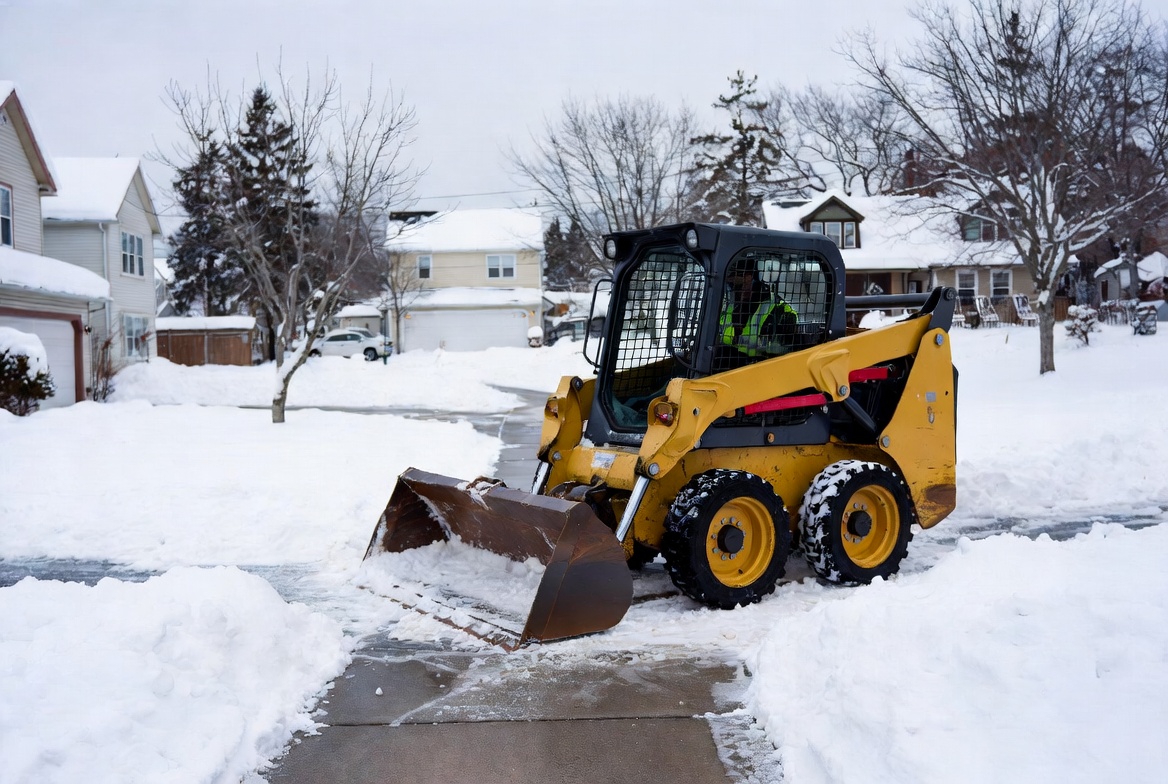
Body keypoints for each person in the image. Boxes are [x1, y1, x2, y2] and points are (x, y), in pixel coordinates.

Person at [716, 257, 798, 368]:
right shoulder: (729, 308)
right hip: (728, 369)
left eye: (735, 283)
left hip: (759, 371)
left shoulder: (778, 310)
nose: (732, 287)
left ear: (749, 277)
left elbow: (779, 355)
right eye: (730, 285)